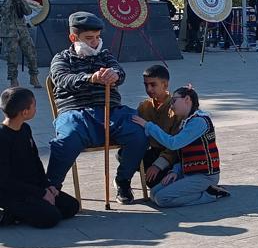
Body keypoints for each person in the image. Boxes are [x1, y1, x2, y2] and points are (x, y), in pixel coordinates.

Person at [46, 12, 149, 204]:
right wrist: (90, 78)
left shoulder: (105, 55)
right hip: (76, 114)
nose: (94, 42)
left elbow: (121, 72)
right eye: (89, 38)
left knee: (140, 132)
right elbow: (62, 79)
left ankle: (123, 180)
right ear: (73, 38)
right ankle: (51, 188)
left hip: (112, 112)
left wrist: (115, 75)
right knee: (66, 140)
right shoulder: (61, 59)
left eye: (97, 37)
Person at [132, 86, 228, 207]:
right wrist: (176, 171)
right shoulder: (186, 122)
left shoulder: (199, 121)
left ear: (187, 99)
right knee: (154, 194)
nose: (171, 105)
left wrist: (148, 126)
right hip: (188, 173)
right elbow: (183, 154)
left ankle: (210, 193)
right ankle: (200, 190)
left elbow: (173, 144)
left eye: (174, 100)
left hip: (204, 176)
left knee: (162, 199)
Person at [0, 87, 80, 228]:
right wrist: (40, 193)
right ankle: (11, 213)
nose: (36, 108)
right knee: (51, 217)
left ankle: (25, 212)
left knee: (71, 207)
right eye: (34, 105)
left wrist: (47, 186)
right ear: (24, 112)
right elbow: (5, 180)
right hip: (11, 192)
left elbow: (35, 160)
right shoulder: (3, 137)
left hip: (32, 187)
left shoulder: (25, 129)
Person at [135, 65, 182, 189]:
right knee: (124, 154)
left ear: (165, 85)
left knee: (154, 183)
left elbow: (176, 144)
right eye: (146, 85)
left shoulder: (176, 107)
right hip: (154, 151)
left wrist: (158, 165)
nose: (148, 89)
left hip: (175, 155)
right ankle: (122, 183)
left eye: (153, 84)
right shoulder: (144, 106)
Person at [0, 0, 40, 88]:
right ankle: (13, 80)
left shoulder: (20, 0)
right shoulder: (3, 0)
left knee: (31, 54)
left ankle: (34, 77)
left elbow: (28, 12)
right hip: (9, 33)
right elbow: (4, 12)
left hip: (23, 31)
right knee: (11, 58)